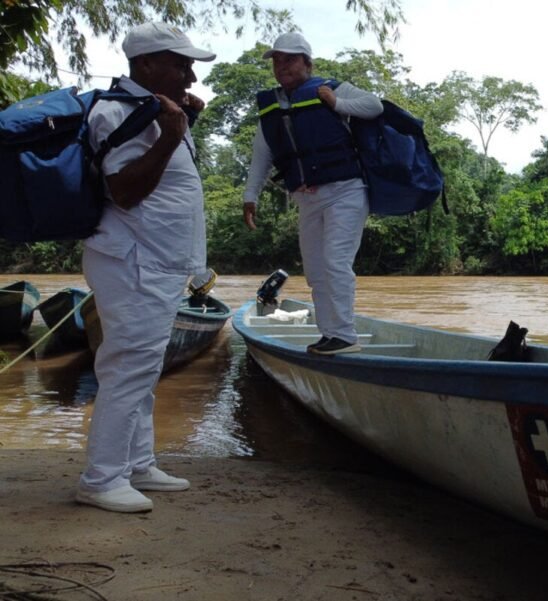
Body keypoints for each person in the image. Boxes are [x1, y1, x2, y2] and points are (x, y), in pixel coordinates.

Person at [75, 22, 215, 513]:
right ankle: (101, 478)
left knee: (143, 363)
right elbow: (125, 190)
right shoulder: (118, 112)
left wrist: (179, 127)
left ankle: (137, 463)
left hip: (153, 262)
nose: (190, 75)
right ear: (146, 64)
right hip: (133, 261)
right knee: (128, 366)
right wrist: (170, 137)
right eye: (181, 64)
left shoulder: (150, 112)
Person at [242, 32, 383, 355]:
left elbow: (373, 106)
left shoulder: (329, 89)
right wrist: (251, 196)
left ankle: (345, 336)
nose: (282, 66)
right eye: (277, 61)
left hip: (345, 190)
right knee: (316, 271)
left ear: (307, 62)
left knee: (335, 262)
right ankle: (329, 334)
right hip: (306, 199)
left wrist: (337, 104)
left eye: (289, 59)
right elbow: (261, 156)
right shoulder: (271, 107)